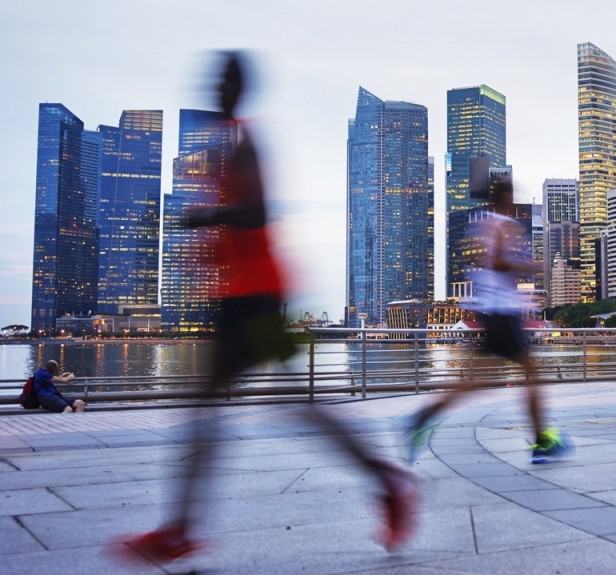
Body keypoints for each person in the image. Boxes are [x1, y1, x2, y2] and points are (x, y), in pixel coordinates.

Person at [113, 53, 417, 565]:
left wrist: (205, 216)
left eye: (225, 80)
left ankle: (182, 528)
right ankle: (385, 480)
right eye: (215, 80)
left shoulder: (243, 142)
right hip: (244, 297)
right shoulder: (228, 142)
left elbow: (257, 210)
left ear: (238, 87)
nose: (216, 88)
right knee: (278, 404)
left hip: (254, 299)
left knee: (232, 407)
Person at [405, 176, 572, 465]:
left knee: (478, 379)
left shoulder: (481, 224)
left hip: (494, 312)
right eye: (511, 195)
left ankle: (423, 416)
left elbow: (485, 264)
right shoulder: (503, 225)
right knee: (531, 374)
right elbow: (496, 262)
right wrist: (528, 265)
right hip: (503, 313)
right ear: (504, 197)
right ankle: (542, 441)